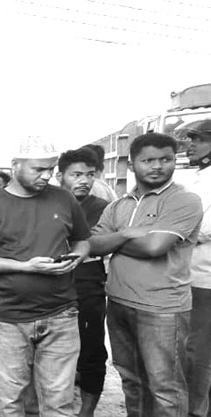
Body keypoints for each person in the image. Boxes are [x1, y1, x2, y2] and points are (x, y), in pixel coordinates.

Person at [0, 136, 90, 417]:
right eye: (38, 169)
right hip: (8, 318)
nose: (46, 176)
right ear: (15, 165)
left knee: (59, 403)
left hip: (61, 314)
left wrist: (75, 259)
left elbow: (82, 241)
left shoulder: (64, 199)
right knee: (11, 403)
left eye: (50, 169)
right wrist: (26, 267)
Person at [89, 133, 202, 417]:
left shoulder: (183, 200)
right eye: (148, 160)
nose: (157, 166)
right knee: (132, 380)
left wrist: (114, 240)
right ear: (132, 165)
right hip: (119, 302)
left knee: (165, 387)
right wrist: (127, 233)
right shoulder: (118, 205)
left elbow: (154, 247)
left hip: (162, 308)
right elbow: (93, 245)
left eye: (166, 159)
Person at [56, 148, 110, 417]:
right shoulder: (47, 202)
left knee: (91, 351)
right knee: (50, 351)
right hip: (50, 288)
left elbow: (97, 244)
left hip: (88, 287)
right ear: (60, 176)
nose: (84, 180)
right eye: (76, 174)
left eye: (89, 174)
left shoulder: (103, 208)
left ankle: (86, 412)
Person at [177, 120, 211, 417]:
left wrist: (173, 231)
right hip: (192, 273)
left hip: (205, 278)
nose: (191, 144)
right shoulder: (197, 177)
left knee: (198, 351)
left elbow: (202, 228)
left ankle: (196, 411)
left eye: (198, 139)